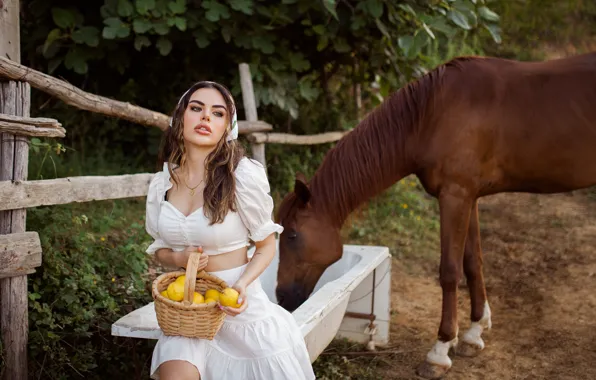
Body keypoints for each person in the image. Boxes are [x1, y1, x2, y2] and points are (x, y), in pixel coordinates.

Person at [144, 80, 316, 380]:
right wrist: (178, 260)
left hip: (236, 303)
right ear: (180, 118)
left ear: (228, 127)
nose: (206, 117)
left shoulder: (242, 177)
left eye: (217, 113)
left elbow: (266, 245)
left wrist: (242, 285)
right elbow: (158, 248)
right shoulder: (162, 184)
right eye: (196, 109)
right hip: (188, 309)